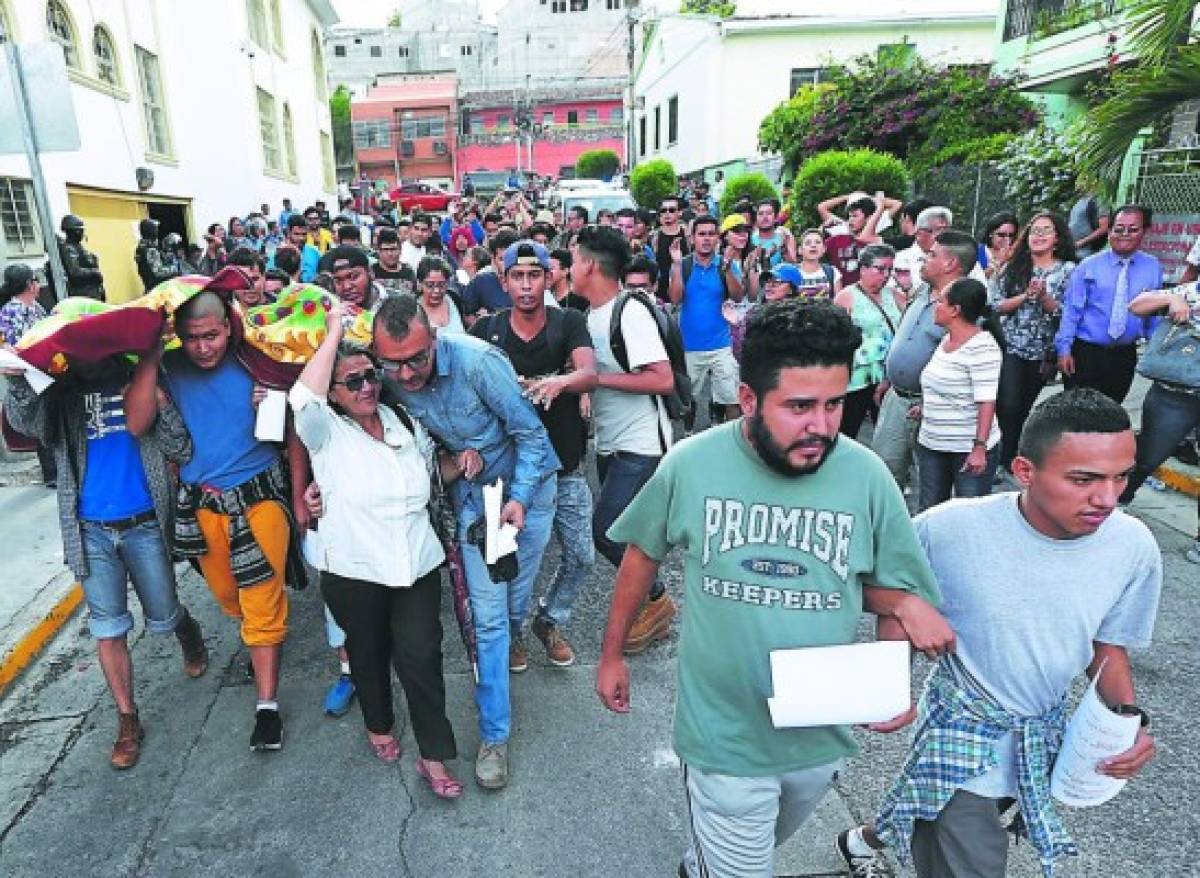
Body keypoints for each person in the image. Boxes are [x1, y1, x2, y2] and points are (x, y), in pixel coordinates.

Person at [596, 298, 949, 878]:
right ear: (750, 400)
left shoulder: (867, 477)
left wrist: (893, 668)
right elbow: (641, 552)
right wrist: (612, 653)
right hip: (723, 735)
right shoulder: (692, 464)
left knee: (764, 840)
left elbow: (885, 587)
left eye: (834, 404)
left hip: (819, 731)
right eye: (800, 407)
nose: (822, 426)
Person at [841, 389, 1161, 878]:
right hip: (960, 734)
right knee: (967, 843)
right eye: (1084, 479)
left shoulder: (1134, 547)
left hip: (1040, 735)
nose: (1107, 498)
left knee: (950, 808)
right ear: (1025, 471)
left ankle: (867, 839)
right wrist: (895, 656)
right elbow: (872, 586)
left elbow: (1106, 644)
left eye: (1122, 477)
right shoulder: (947, 530)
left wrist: (1126, 722)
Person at [371, 293, 559, 790]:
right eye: (393, 364)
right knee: (489, 622)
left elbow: (533, 437)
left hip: (528, 495)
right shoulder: (385, 378)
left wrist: (519, 497)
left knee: (513, 609)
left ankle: (519, 636)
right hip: (473, 507)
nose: (407, 375)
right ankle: (495, 737)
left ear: (433, 338)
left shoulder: (479, 364)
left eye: (416, 359)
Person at [4, 348, 208, 770]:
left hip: (146, 525)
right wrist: (18, 380)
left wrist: (162, 403)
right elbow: (28, 424)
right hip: (90, 531)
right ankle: (128, 718)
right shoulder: (62, 394)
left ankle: (186, 628)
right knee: (108, 628)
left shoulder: (144, 378)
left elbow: (181, 448)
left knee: (163, 614)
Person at [290, 299, 462, 795]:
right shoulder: (325, 433)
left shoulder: (404, 422)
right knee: (367, 652)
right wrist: (333, 332)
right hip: (353, 568)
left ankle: (434, 754)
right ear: (335, 393)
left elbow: (432, 479)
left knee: (423, 656)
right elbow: (304, 399)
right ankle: (379, 722)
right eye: (353, 381)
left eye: (371, 376)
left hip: (416, 564)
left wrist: (462, 462)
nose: (366, 387)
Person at [125, 289, 299, 752]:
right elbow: (137, 423)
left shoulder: (258, 359)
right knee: (229, 596)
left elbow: (298, 421)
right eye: (194, 338)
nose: (204, 347)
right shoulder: (169, 368)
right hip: (201, 507)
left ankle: (267, 707)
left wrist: (276, 400)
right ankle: (259, 639)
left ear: (228, 326)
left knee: (262, 605)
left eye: (213, 335)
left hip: (261, 499)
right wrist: (150, 357)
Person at [471, 240, 598, 669]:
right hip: (510, 472)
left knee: (581, 554)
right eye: (517, 277)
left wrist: (558, 383)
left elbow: (589, 372)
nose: (526, 285)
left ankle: (549, 619)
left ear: (549, 278)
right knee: (513, 561)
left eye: (534, 275)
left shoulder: (568, 322)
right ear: (503, 281)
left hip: (564, 463)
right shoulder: (487, 331)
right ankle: (512, 634)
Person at [573, 225, 678, 654]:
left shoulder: (628, 310)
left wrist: (596, 379)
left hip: (642, 444)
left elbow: (662, 378)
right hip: (610, 442)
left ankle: (656, 600)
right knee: (626, 533)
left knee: (606, 531)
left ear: (591, 266)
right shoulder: (589, 317)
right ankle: (646, 605)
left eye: (575, 259)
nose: (570, 268)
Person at [871, 230, 975, 488]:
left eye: (931, 255)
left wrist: (932, 403)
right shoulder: (921, 291)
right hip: (896, 398)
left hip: (930, 406)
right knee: (882, 472)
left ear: (950, 264)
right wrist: (888, 377)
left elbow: (967, 365)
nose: (923, 261)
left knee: (930, 485)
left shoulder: (967, 306)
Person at [1119, 278, 1200, 565]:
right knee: (1148, 455)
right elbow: (1136, 305)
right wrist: (1171, 301)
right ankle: (1117, 503)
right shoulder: (1190, 291)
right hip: (1173, 394)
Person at [989, 212, 1077, 471]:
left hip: (1044, 352)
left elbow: (1067, 313)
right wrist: (1025, 297)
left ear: (1058, 238)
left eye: (1045, 231)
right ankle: (1000, 455)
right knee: (1007, 403)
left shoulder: (1069, 271)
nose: (1038, 236)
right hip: (1012, 346)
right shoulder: (1013, 266)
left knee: (1023, 406)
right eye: (1034, 231)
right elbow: (996, 305)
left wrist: (1045, 298)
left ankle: (1010, 456)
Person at [1056, 205, 1163, 404]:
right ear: (1110, 231)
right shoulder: (1088, 265)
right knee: (1077, 413)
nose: (1125, 235)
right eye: (1118, 229)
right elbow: (1071, 312)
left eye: (1133, 229)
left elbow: (1152, 314)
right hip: (1086, 353)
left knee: (1110, 413)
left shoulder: (1152, 267)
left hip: (1123, 355)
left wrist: (1155, 349)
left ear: (1145, 231)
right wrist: (1064, 350)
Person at [914, 278, 1004, 510]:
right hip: (933, 443)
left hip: (966, 449)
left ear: (955, 310)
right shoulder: (946, 340)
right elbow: (942, 384)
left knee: (968, 514)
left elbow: (986, 402)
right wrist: (927, 407)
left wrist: (979, 448)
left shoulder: (982, 347)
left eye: (941, 301)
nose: (936, 304)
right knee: (930, 510)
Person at [668, 215, 745, 425]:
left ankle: (731, 439)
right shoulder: (683, 265)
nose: (707, 239)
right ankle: (687, 437)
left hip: (722, 345)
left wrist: (728, 270)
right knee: (688, 400)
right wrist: (675, 265)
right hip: (689, 346)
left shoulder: (726, 265)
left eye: (711, 234)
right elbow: (675, 299)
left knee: (732, 399)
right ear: (692, 238)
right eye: (702, 234)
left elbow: (738, 296)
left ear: (718, 238)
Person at [833, 244, 904, 439]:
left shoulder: (895, 295)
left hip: (889, 374)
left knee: (888, 434)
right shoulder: (846, 296)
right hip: (857, 376)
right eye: (880, 269)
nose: (886, 274)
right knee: (847, 430)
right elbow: (835, 338)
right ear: (863, 268)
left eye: (890, 269)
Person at [1, 264, 56, 486]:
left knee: (49, 419)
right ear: (28, 285)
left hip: (43, 371)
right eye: (35, 280)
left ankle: (55, 468)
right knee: (41, 422)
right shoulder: (9, 313)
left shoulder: (36, 308)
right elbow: (10, 347)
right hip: (25, 377)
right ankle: (50, 472)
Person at [462, 229, 520, 320]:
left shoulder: (531, 284)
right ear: (494, 259)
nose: (508, 264)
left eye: (512, 258)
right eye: (502, 259)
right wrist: (482, 324)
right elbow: (468, 315)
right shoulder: (481, 282)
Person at [649, 197, 690, 302]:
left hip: (686, 291)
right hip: (661, 294)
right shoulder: (654, 236)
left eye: (671, 210)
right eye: (663, 210)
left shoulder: (687, 234)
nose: (667, 213)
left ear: (679, 213)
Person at [57, 214, 105, 301]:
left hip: (92, 291)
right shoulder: (69, 248)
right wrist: (94, 272)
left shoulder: (77, 246)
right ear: (76, 232)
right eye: (80, 230)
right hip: (83, 293)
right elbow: (75, 271)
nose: (82, 233)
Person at [416, 256, 465, 334]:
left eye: (441, 285)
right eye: (430, 285)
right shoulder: (413, 309)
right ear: (420, 284)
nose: (436, 290)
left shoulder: (454, 299)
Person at [328, 246, 386, 310]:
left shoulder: (395, 304)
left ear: (370, 272)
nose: (347, 287)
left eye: (354, 277)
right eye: (338, 281)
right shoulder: (330, 311)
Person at [750, 198, 798, 272]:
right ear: (756, 219)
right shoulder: (749, 239)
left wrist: (784, 249)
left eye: (769, 213)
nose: (765, 217)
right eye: (760, 214)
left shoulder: (784, 237)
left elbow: (793, 267)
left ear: (776, 218)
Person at [135, 219, 179, 293]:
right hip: (159, 290)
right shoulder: (150, 249)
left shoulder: (141, 247)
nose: (157, 231)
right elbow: (158, 272)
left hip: (150, 288)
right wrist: (175, 268)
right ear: (151, 231)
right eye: (155, 229)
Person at [795, 229, 841, 298]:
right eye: (808, 243)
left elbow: (839, 303)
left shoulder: (832, 272)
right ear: (800, 250)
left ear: (824, 249)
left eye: (818, 242)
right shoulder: (792, 272)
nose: (813, 245)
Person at [372, 227, 418, 297]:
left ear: (400, 250)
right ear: (378, 251)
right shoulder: (372, 272)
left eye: (393, 249)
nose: (390, 254)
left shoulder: (408, 272)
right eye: (385, 249)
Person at [275, 215, 320, 283]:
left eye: (304, 234)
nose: (301, 238)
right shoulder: (278, 254)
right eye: (297, 234)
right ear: (288, 233)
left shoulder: (315, 253)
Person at [1068, 189, 1111, 258]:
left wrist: (1080, 243)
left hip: (1090, 252)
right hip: (1076, 251)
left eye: (1084, 179)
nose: (1078, 184)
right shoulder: (1078, 202)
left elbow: (1104, 228)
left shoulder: (1099, 200)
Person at [977, 212, 1018, 279]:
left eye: (1011, 235)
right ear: (990, 233)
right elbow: (973, 281)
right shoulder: (975, 253)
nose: (1007, 239)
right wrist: (999, 262)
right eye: (1001, 235)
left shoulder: (1016, 255)